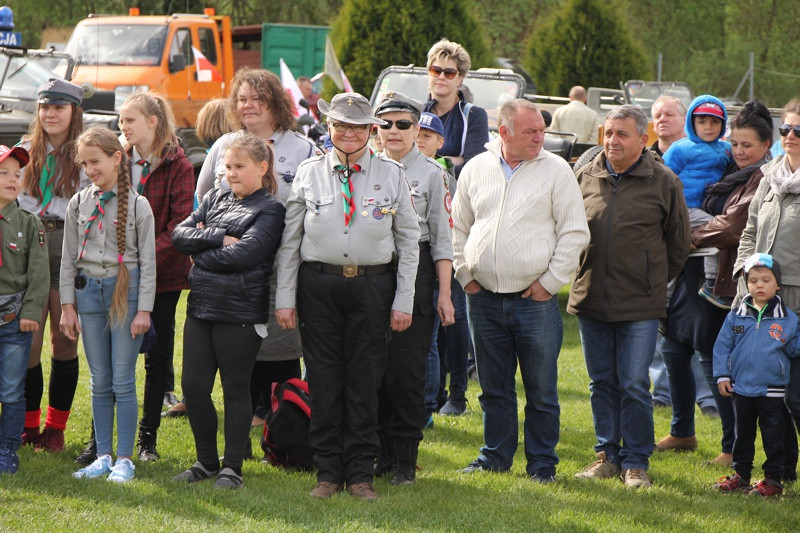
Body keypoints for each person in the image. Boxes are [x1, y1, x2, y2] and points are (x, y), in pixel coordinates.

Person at [275, 92, 420, 501]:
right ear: (329, 128)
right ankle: (327, 472)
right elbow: (289, 242)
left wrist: (403, 301)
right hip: (318, 286)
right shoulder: (308, 172)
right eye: (341, 125)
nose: (349, 133)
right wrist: (285, 297)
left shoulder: (391, 174)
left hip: (373, 286)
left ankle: (360, 474)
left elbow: (409, 243)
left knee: (364, 380)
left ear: (370, 129)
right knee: (323, 379)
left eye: (358, 126)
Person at [453, 99, 589, 482]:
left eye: (542, 130)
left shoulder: (557, 169)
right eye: (531, 131)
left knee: (541, 391)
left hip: (535, 302)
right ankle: (495, 456)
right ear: (504, 132)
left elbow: (575, 232)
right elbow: (457, 227)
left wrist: (549, 284)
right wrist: (465, 275)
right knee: (494, 389)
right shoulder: (476, 168)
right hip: (482, 299)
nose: (539, 137)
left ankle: (542, 464)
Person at [569, 104, 691, 488]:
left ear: (644, 138)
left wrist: (650, 280)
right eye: (608, 133)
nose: (612, 141)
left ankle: (636, 461)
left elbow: (678, 245)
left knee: (635, 382)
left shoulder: (664, 180)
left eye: (622, 134)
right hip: (591, 298)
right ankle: (607, 455)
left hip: (640, 303)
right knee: (601, 381)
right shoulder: (584, 174)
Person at [657, 101, 784, 467]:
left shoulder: (761, 177)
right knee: (674, 351)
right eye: (736, 144)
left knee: (713, 360)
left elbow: (730, 228)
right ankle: (683, 430)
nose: (740, 152)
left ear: (765, 146)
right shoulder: (728, 168)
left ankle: (731, 448)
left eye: (748, 145)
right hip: (692, 272)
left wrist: (688, 236)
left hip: (721, 282)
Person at [194, 68, 320, 435]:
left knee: (280, 346)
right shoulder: (223, 146)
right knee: (239, 347)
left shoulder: (303, 148)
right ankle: (246, 421)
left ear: (276, 102)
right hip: (231, 269)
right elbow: (201, 200)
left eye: (257, 98)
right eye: (242, 99)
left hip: (281, 267)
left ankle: (285, 425)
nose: (248, 105)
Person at [171, 134, 285, 489]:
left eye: (239, 167)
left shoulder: (271, 208)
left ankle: (232, 467)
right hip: (201, 307)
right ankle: (205, 461)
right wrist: (218, 237)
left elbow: (246, 256)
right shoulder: (214, 195)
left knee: (236, 390)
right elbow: (178, 235)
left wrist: (201, 253)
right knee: (193, 387)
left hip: (240, 312)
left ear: (262, 168)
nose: (231, 173)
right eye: (227, 166)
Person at [61, 127, 156, 483]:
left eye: (95, 161)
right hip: (88, 294)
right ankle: (102, 455)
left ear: (117, 158)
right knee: (99, 380)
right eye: (84, 163)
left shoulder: (137, 204)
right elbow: (68, 258)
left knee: (122, 380)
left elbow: (148, 262)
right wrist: (68, 305)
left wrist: (144, 309)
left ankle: (125, 458)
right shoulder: (78, 202)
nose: (89, 170)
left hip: (125, 295)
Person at [372, 92, 454, 485]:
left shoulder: (433, 174)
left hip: (417, 270)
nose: (393, 131)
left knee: (406, 370)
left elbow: (441, 240)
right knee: (373, 368)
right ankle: (379, 453)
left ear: (417, 129)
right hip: (372, 271)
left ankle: (405, 458)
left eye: (403, 124)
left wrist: (443, 293)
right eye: (385, 123)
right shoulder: (365, 167)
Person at [116, 92, 194, 461]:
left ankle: (147, 439)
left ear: (152, 122)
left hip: (163, 275)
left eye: (130, 120)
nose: (123, 127)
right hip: (116, 272)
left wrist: (139, 260)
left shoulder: (178, 163)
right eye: (121, 120)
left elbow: (179, 227)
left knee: (156, 357)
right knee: (116, 355)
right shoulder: (118, 157)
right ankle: (103, 437)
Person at [17, 78, 89, 452]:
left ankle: (55, 428)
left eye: (59, 107)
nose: (50, 114)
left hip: (68, 242)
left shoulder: (87, 154)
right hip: (29, 244)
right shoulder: (24, 152)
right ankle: (28, 426)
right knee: (27, 340)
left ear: (74, 112)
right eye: (45, 107)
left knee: (64, 339)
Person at [422, 39, 488, 417]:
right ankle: (431, 390)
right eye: (436, 70)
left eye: (450, 72)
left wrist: (434, 158)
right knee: (428, 308)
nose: (442, 78)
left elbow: (474, 161)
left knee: (455, 307)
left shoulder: (472, 114)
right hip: (423, 216)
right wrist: (449, 158)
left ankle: (458, 393)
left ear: (461, 78)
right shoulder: (417, 111)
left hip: (460, 219)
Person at [737, 98, 800, 455]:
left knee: (796, 396)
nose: (790, 135)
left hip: (797, 302)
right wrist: (744, 272)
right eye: (785, 128)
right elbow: (749, 231)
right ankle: (783, 472)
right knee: (771, 395)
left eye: (798, 130)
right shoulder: (769, 176)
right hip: (761, 302)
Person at [712, 253, 800, 497]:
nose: (759, 285)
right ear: (746, 284)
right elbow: (721, 348)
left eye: (766, 280)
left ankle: (773, 479)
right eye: (753, 280)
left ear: (777, 284)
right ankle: (741, 475)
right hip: (740, 389)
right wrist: (722, 376)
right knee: (742, 436)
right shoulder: (735, 316)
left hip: (772, 390)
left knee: (774, 437)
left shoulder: (789, 320)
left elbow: (794, 348)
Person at [0, 145, 49, 475]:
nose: (12, 179)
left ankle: (7, 448)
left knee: (11, 388)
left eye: (17, 174)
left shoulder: (30, 224)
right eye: (3, 172)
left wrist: (31, 312)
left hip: (13, 320)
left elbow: (39, 273)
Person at [663, 95, 732, 308]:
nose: (708, 127)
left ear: (723, 124)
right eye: (702, 121)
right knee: (717, 231)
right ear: (691, 123)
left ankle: (663, 303)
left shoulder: (727, 149)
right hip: (684, 208)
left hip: (706, 206)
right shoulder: (680, 148)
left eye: (714, 122)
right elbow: (663, 178)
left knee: (678, 255)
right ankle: (712, 282)